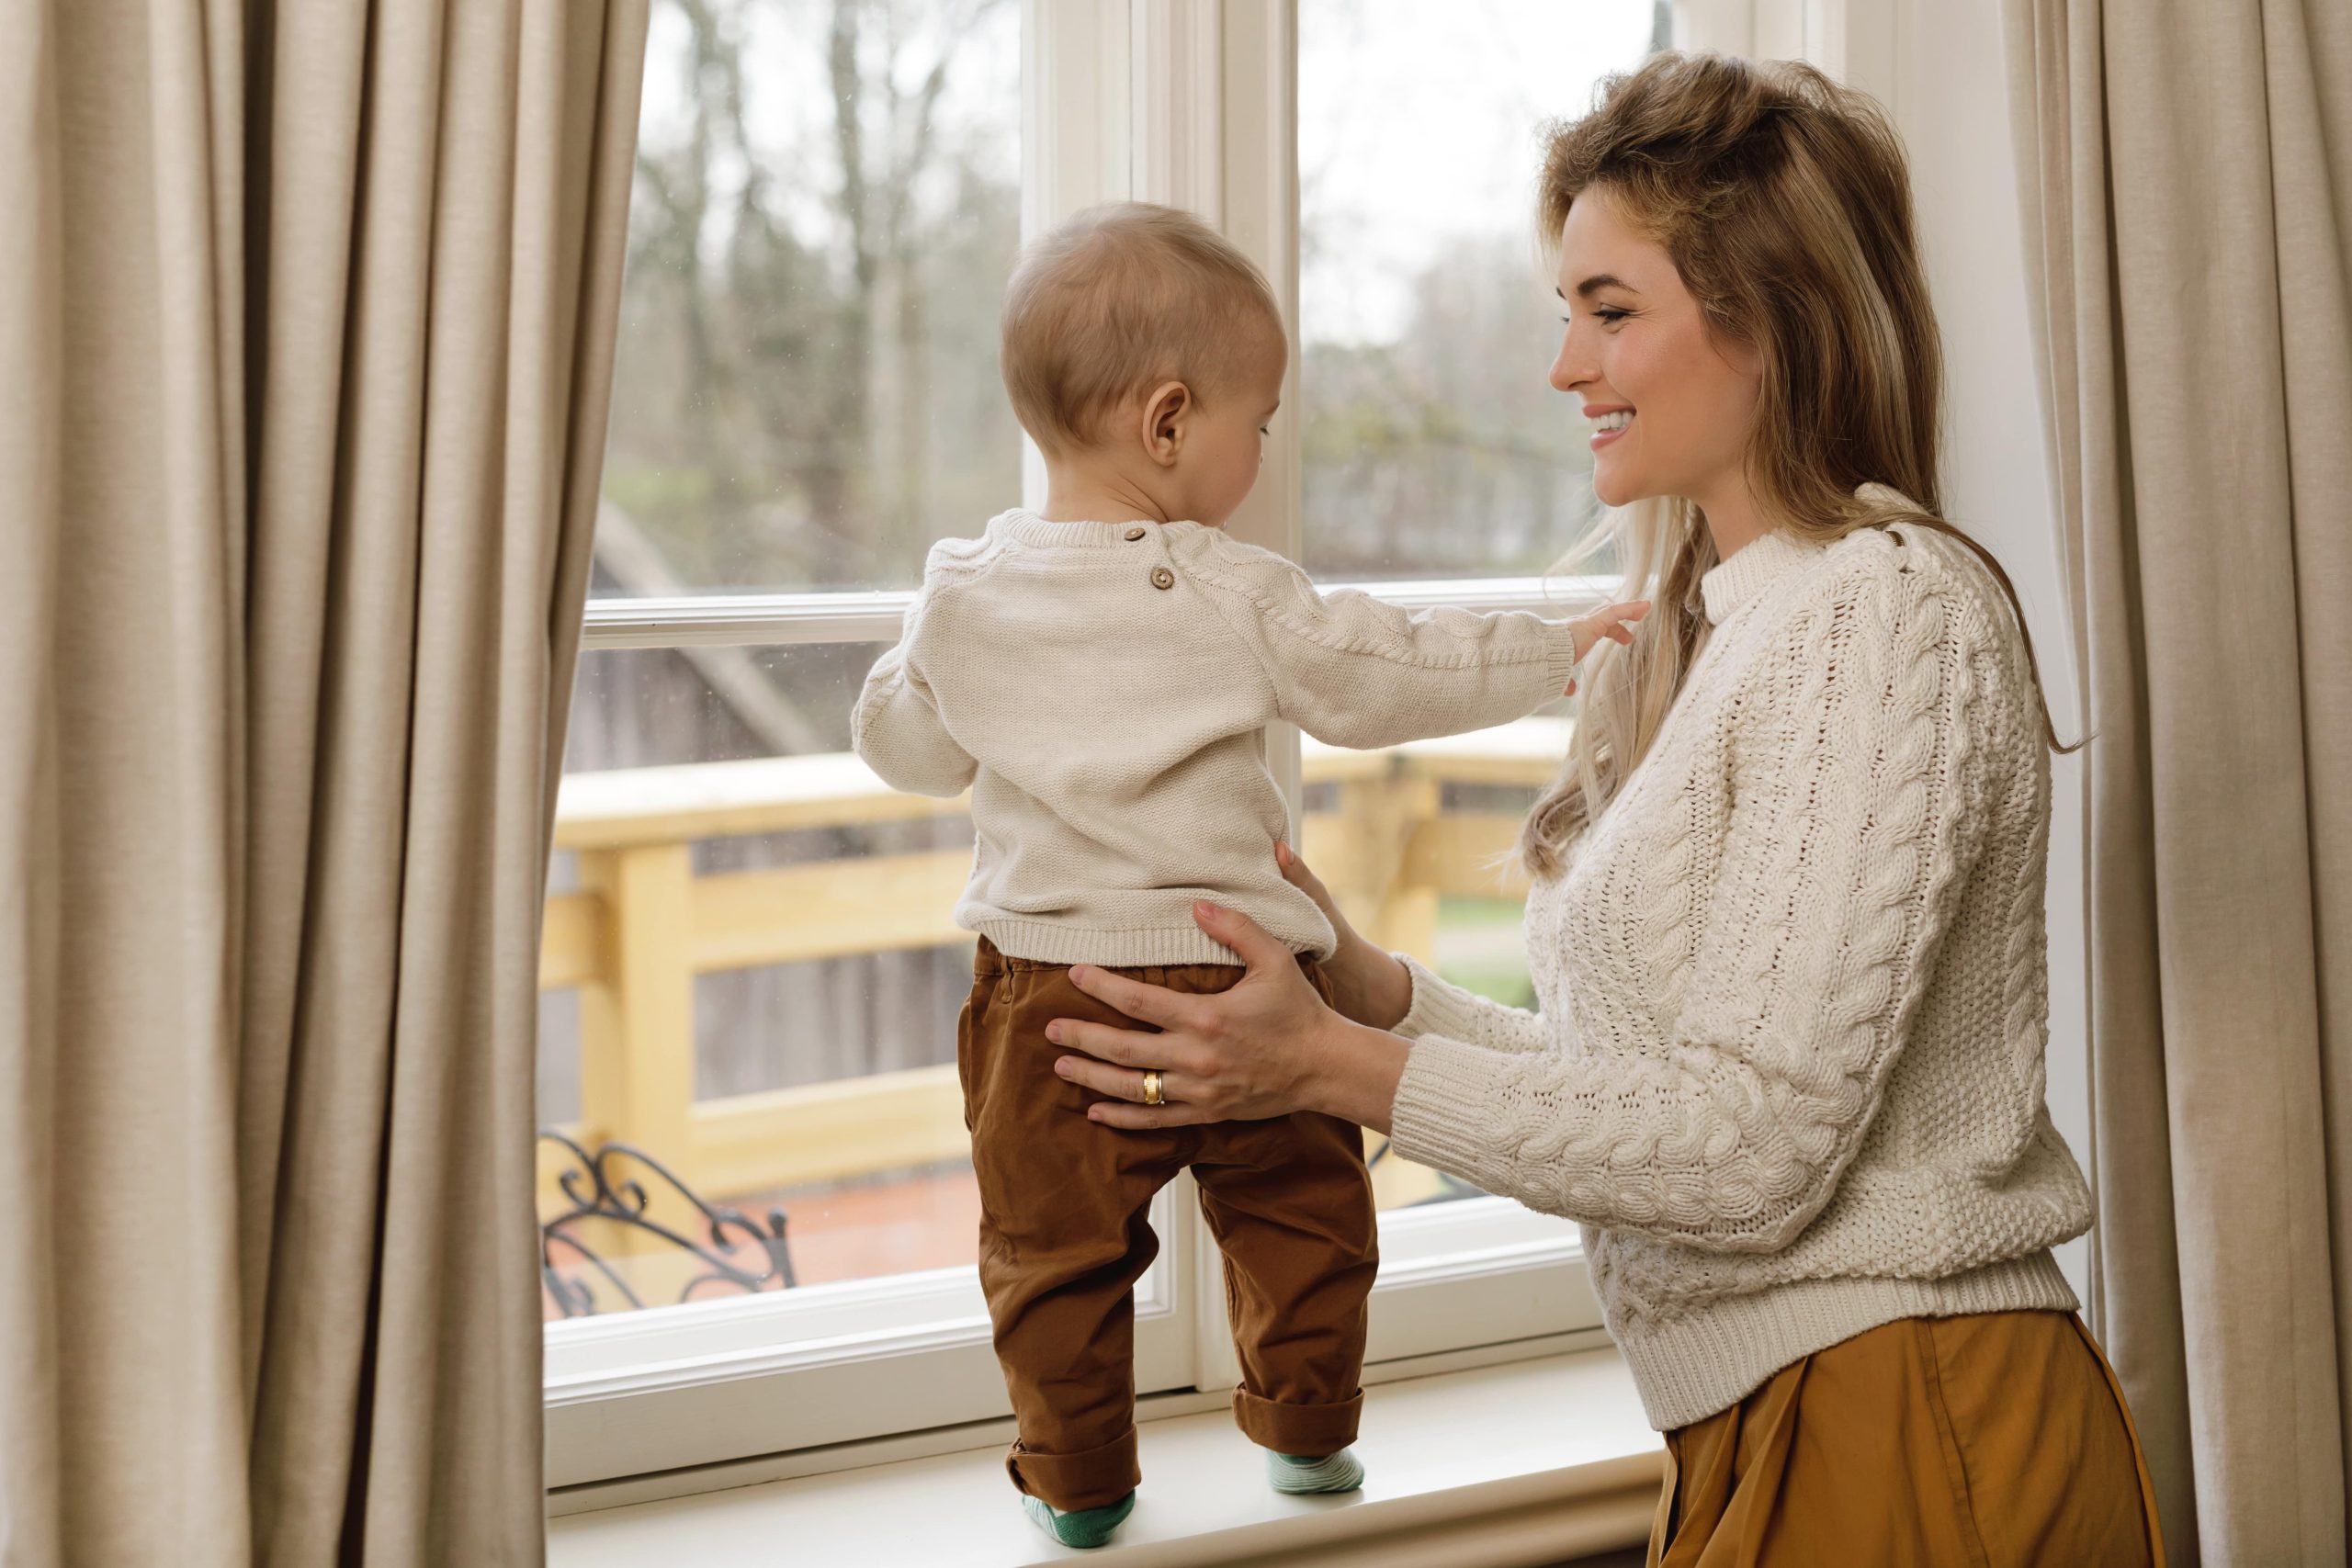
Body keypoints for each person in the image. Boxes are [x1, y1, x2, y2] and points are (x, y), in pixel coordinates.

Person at [1043, 55, 2167, 1567]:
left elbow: (1749, 1153)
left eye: (1611, 309)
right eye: (1565, 311)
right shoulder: (1719, 635)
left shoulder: (1890, 611)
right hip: (1781, 1414)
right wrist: (1377, 998)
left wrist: (1332, 1066)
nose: (1566, 367)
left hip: (1915, 1414)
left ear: (1773, 316)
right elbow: (1655, 1096)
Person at [851, 199, 1647, 1551]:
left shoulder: (965, 592)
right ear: (1168, 422)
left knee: (1051, 1258)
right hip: (1243, 967)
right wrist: (1557, 648)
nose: (1261, 453)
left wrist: (922, 649)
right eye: (1258, 423)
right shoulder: (1229, 588)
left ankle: (1079, 1479)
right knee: (1306, 1225)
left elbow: (908, 752)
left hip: (1048, 998)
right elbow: (1385, 672)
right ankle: (1307, 1428)